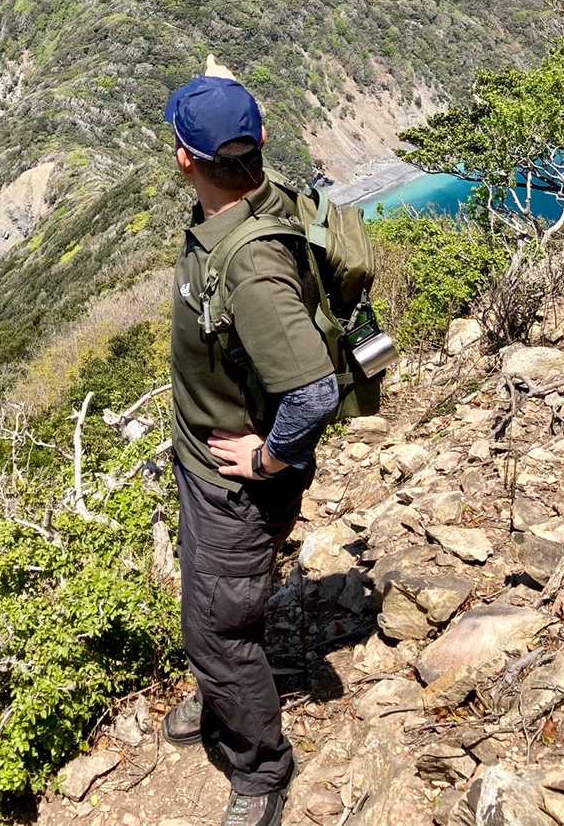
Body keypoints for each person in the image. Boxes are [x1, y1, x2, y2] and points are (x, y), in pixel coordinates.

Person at [162, 58, 341, 826]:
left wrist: (268, 457)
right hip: (211, 472)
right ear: (259, 140)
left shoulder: (250, 268)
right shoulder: (257, 194)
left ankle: (261, 769)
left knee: (214, 627)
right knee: (218, 603)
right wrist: (226, 90)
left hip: (235, 485)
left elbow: (315, 391)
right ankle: (223, 691)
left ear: (185, 160)